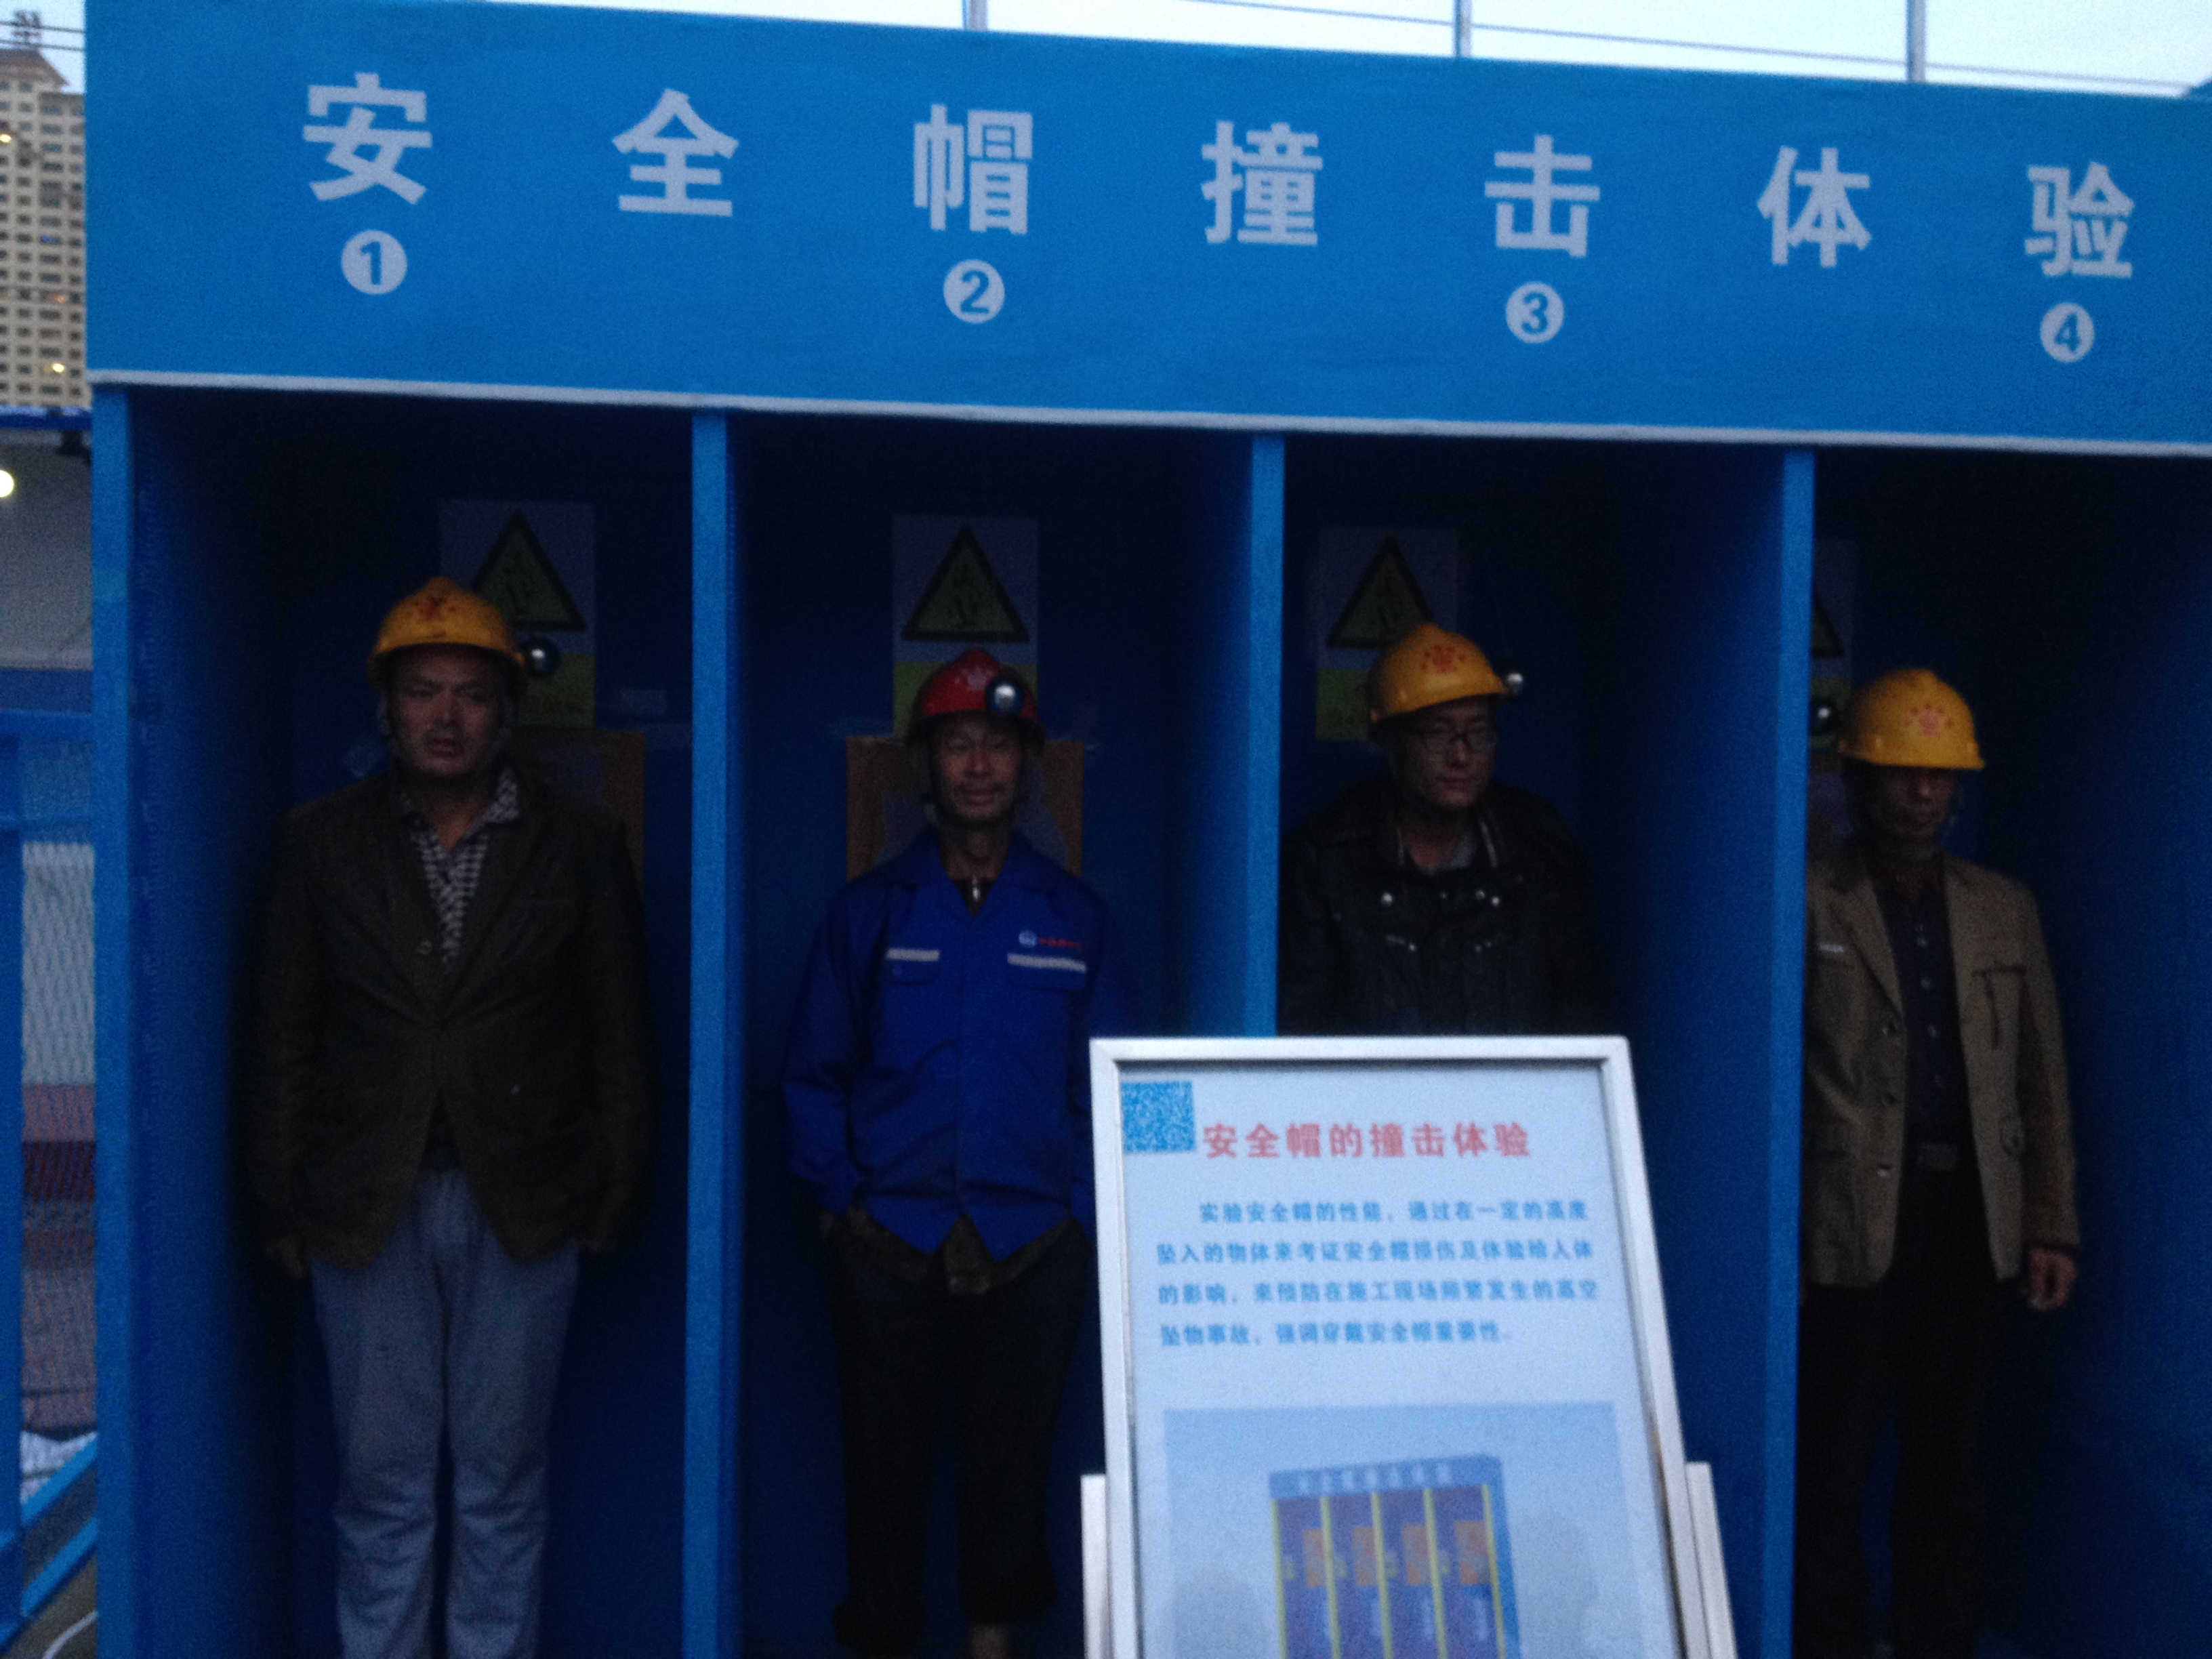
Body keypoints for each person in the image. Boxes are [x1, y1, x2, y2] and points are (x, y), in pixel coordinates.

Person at [245, 577, 655, 1659]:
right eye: (422, 691)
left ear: (505, 712)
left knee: (501, 1482)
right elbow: (282, 1030)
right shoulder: (321, 842)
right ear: (387, 707)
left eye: (471, 694)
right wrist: (277, 1197)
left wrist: (614, 1193)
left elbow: (620, 1033)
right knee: (380, 1485)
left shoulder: (577, 843)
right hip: (360, 1204)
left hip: (524, 1200)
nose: (445, 716)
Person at [784, 649, 1132, 1659]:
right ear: (924, 766)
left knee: (1011, 1463)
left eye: (999, 747)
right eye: (958, 746)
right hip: (889, 1238)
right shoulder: (871, 911)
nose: (979, 767)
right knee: (881, 1465)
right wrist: (841, 1204)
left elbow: (1107, 1082)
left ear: (1029, 767)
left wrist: (1078, 1213)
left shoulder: (1074, 919)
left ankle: (992, 1641)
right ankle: (884, 1638)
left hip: (1032, 1242)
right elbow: (814, 1072)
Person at [1796, 668, 2078, 1659]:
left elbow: (2041, 1075)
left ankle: (1938, 1643)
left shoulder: (2003, 907)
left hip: (1974, 1216)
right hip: (1852, 1217)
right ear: (1856, 777)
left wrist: (2051, 1223)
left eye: (1940, 777)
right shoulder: (1811, 901)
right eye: (1902, 774)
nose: (1923, 795)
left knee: (1950, 1465)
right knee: (1830, 1466)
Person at [1278, 621, 1603, 1035]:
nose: (1461, 756)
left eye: (1479, 733)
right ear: (1390, 741)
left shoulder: (1537, 846)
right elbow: (1302, 1022)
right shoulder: (1328, 857)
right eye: (1437, 733)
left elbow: (1580, 1012)